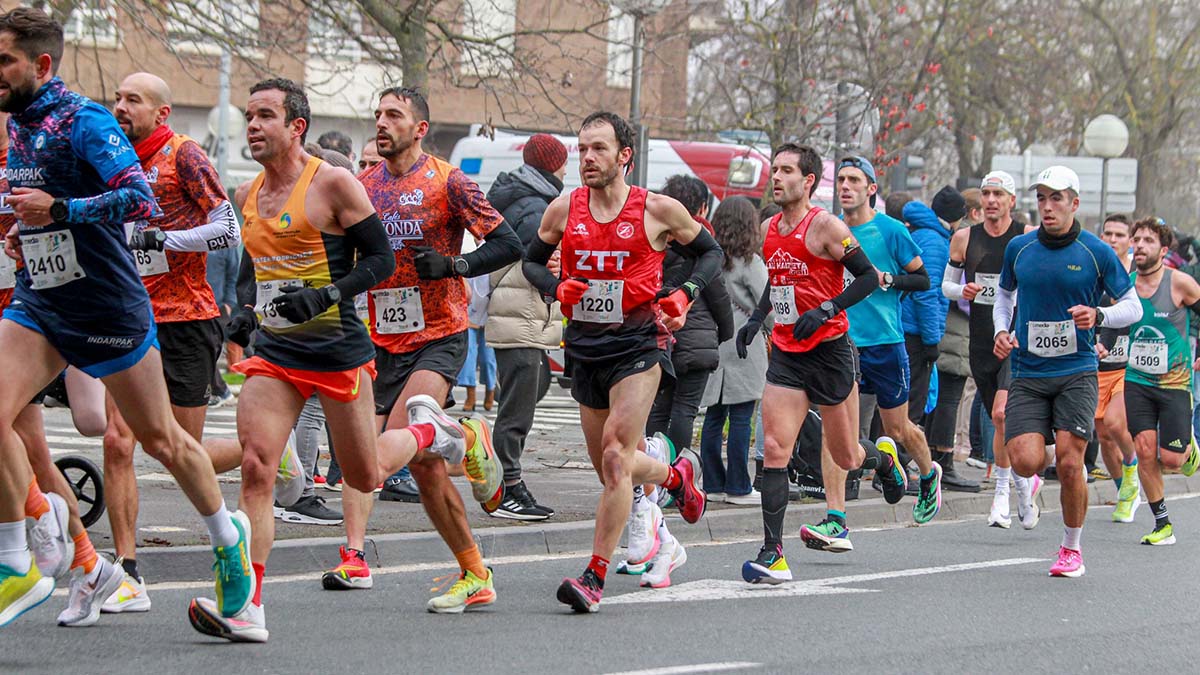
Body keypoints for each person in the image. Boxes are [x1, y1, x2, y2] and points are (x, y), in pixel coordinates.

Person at [0, 7, 251, 628]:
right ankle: (21, 561)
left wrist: (57, 209)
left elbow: (137, 198)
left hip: (109, 307)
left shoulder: (82, 119)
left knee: (163, 441)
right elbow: (29, 207)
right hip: (42, 303)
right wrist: (19, 233)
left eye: (4, 60)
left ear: (42, 63)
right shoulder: (21, 127)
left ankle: (227, 539)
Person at [185, 77, 399, 641]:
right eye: (248, 116)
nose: (252, 126)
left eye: (264, 116)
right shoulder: (251, 194)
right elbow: (263, 272)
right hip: (277, 354)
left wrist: (327, 296)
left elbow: (382, 262)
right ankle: (248, 604)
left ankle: (437, 436)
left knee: (366, 473)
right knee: (257, 467)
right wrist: (249, 313)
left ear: (295, 126)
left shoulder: (333, 183)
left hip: (337, 352)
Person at [334, 86, 521, 613]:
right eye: (377, 114)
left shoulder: (448, 180)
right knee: (390, 461)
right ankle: (364, 556)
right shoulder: (362, 186)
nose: (381, 122)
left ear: (419, 128)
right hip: (378, 338)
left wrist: (455, 265)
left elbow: (509, 244)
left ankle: (464, 433)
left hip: (438, 333)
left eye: (394, 114)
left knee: (397, 442)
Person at [523, 111, 717, 610]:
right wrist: (554, 285)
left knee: (615, 458)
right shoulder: (564, 209)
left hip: (639, 346)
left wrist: (684, 295)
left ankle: (593, 577)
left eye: (598, 149)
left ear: (624, 156)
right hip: (585, 351)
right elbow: (528, 261)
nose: (587, 158)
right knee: (613, 468)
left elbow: (710, 254)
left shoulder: (657, 209)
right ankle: (675, 477)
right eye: (582, 148)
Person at [101, 71, 246, 612]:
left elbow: (227, 228)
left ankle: (266, 454)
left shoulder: (184, 155)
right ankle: (127, 570)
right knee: (118, 441)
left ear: (161, 112)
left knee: (180, 453)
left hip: (186, 316)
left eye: (132, 99)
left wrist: (165, 237)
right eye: (117, 97)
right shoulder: (110, 158)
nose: (120, 106)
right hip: (127, 315)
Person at [734, 145, 900, 581]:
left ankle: (883, 461)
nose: (777, 177)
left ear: (808, 181)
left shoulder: (827, 226)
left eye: (787, 171)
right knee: (774, 449)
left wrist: (826, 310)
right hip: (788, 353)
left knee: (846, 456)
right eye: (775, 169)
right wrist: (755, 320)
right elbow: (779, 280)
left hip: (830, 350)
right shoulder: (769, 228)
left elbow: (867, 278)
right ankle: (773, 553)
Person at [993, 165, 1141, 577]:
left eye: (1056, 198)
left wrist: (1099, 314)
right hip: (1028, 370)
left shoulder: (1096, 251)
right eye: (1041, 198)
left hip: (1077, 370)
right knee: (1024, 461)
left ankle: (1071, 548)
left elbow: (1133, 306)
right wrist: (1001, 330)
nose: (1048, 206)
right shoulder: (1019, 249)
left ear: (1075, 203)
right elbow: (1004, 298)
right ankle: (1035, 477)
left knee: (1072, 463)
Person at [801, 155, 939, 555]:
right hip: (840, 343)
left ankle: (927, 475)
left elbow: (923, 278)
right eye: (840, 179)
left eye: (854, 180)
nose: (845, 186)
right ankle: (837, 519)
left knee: (898, 429)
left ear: (871, 188)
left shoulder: (891, 231)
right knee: (834, 428)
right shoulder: (826, 229)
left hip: (885, 342)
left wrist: (889, 279)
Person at [943, 170, 1040, 528]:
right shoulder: (964, 238)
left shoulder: (1028, 238)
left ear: (1012, 201)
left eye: (998, 193)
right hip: (980, 337)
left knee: (1001, 413)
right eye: (986, 193)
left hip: (1017, 339)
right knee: (999, 419)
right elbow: (946, 287)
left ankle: (1001, 493)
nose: (991, 200)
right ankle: (1022, 487)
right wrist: (961, 292)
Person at [484, 132, 568, 520]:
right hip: (521, 312)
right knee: (518, 405)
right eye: (564, 160)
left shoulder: (521, 197)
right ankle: (505, 488)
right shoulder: (535, 206)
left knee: (530, 389)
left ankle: (504, 472)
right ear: (552, 165)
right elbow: (539, 260)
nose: (568, 168)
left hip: (521, 312)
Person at [1122, 218, 1200, 545]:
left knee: (1172, 460)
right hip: (1136, 380)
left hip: (1175, 382)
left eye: (1148, 241)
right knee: (1144, 448)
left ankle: (1190, 449)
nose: (1139, 245)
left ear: (1164, 250)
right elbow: (1114, 322)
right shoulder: (1124, 286)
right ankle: (1162, 523)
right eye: (1136, 240)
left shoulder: (1180, 283)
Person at [647, 175, 734, 454]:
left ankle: (655, 469)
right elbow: (719, 297)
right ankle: (676, 473)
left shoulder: (657, 240)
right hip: (698, 341)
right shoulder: (702, 248)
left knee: (659, 408)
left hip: (660, 336)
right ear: (702, 208)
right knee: (685, 409)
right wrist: (725, 332)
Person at [901, 187, 978, 491]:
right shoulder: (935, 242)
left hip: (910, 328)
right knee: (914, 402)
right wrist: (932, 340)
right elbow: (928, 295)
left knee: (911, 400)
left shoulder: (923, 232)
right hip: (917, 332)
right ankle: (896, 468)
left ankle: (901, 463)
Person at [700, 196, 768, 505]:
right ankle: (739, 485)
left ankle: (712, 483)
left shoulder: (710, 259)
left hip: (715, 342)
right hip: (746, 345)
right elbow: (768, 308)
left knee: (714, 417)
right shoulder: (751, 263)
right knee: (742, 418)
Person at [1093, 214, 1140, 522]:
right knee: (1103, 435)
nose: (1112, 239)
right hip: (1098, 364)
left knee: (1113, 423)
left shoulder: (1139, 274)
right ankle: (1126, 491)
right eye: (1107, 233)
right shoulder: (1094, 270)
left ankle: (1133, 468)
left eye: (1119, 235)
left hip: (1129, 366)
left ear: (1130, 241)